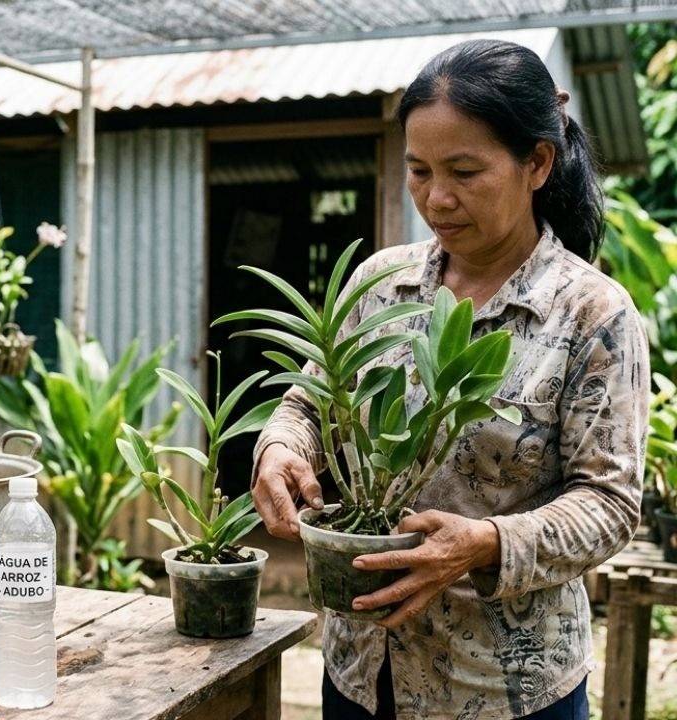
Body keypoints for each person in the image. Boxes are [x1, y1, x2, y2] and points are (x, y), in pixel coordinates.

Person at [251, 39, 648, 720]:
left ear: (537, 164)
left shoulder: (592, 313)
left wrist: (485, 544)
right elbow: (310, 401)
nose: (437, 198)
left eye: (465, 171)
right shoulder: (381, 285)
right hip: (361, 670)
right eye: (419, 170)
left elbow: (609, 503)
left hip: (504, 687)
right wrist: (282, 446)